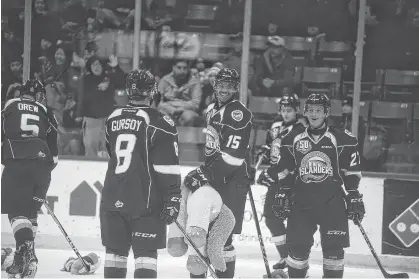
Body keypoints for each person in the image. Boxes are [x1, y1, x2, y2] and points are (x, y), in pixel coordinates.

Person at [261, 93, 365, 278]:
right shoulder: (291, 138)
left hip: (332, 202)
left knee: (334, 252)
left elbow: (352, 170)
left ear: (326, 112)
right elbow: (286, 170)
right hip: (301, 203)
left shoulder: (343, 138)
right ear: (305, 112)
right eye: (310, 110)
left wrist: (353, 193)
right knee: (297, 251)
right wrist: (283, 192)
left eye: (318, 110)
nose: (314, 114)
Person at [100, 69, 181, 278]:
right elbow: (167, 167)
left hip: (112, 197)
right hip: (145, 201)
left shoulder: (113, 117)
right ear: (152, 90)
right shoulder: (161, 121)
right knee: (145, 255)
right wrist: (172, 198)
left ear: (128, 90)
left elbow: (111, 152)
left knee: (115, 254)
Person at [183, 68, 253, 278]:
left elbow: (233, 157)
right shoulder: (213, 109)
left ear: (236, 88)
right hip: (214, 178)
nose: (224, 89)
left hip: (231, 180)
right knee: (202, 231)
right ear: (214, 85)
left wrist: (204, 174)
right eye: (220, 84)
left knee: (224, 238)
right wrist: (206, 173)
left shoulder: (238, 114)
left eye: (229, 85)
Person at [1, 79, 58, 278]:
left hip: (16, 162)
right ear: (39, 95)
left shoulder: (10, 104)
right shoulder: (46, 111)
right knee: (30, 211)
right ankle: (21, 258)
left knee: (17, 213)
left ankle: (27, 254)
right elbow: (54, 150)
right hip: (42, 166)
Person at [256, 93, 306, 273]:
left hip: (292, 180)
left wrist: (271, 173)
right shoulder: (275, 126)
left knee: (292, 220)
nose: (286, 114)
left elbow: (292, 159)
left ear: (297, 111)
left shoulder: (300, 129)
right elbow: (271, 147)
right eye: (283, 110)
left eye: (290, 110)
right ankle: (286, 256)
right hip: (276, 178)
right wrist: (265, 150)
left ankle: (296, 261)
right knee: (271, 218)